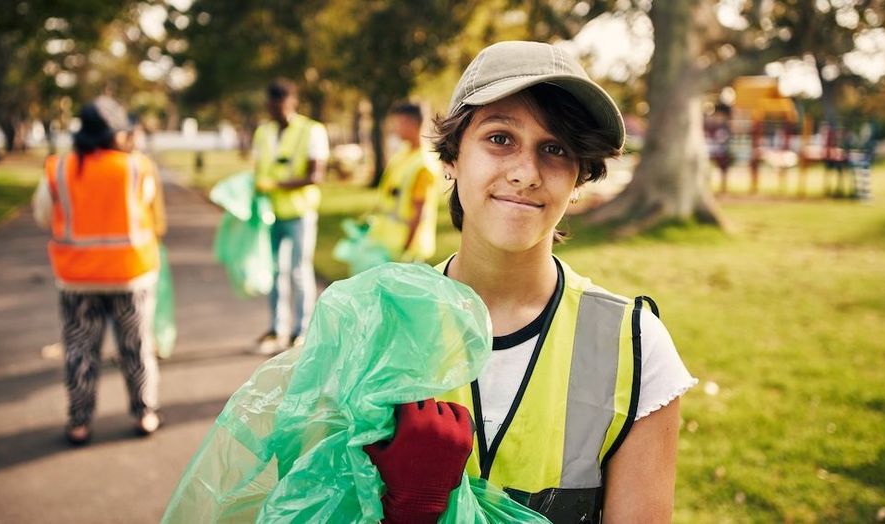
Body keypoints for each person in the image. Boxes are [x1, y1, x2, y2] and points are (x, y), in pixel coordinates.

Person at [363, 41, 697, 523]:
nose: (526, 173)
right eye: (500, 138)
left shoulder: (635, 348)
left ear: (579, 176)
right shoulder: (382, 327)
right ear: (452, 158)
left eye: (555, 149)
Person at [32, 96, 166, 445]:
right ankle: (144, 413)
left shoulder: (59, 169)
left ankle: (79, 422)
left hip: (76, 278)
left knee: (79, 351)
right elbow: (149, 210)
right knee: (135, 347)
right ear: (116, 133)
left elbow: (43, 215)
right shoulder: (136, 167)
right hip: (130, 274)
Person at [252, 78, 329, 355]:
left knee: (298, 271)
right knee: (273, 271)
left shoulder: (312, 131)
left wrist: (276, 185)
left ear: (291, 103)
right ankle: (277, 328)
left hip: (299, 213)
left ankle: (302, 330)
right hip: (270, 214)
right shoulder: (263, 132)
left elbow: (315, 175)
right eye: (271, 107)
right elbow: (258, 169)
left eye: (280, 106)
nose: (275, 112)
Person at [366, 103, 440, 263]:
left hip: (406, 250)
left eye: (398, 123)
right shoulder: (403, 154)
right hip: (389, 244)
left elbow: (420, 211)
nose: (395, 129)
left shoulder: (423, 164)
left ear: (410, 123)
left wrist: (406, 248)